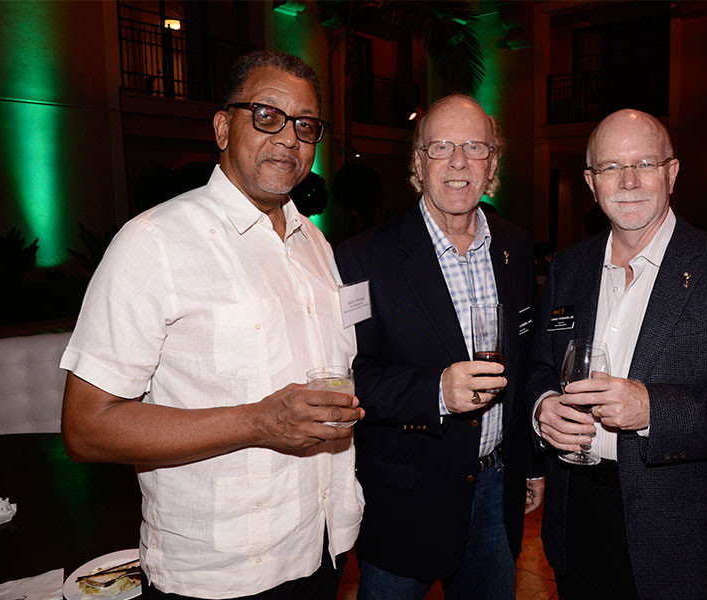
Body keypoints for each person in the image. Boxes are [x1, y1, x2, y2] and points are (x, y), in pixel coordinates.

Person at [59, 50, 365, 600]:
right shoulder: (152, 242)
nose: (289, 138)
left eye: (306, 125)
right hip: (217, 575)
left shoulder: (315, 244)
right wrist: (257, 421)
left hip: (321, 549)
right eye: (267, 115)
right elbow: (86, 428)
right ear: (224, 127)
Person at [528, 108, 707, 600]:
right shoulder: (568, 267)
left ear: (671, 173)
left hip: (682, 541)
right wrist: (542, 405)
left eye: (646, 163)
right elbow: (543, 366)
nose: (628, 181)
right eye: (611, 167)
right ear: (591, 182)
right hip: (577, 523)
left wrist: (655, 410)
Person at [335, 94, 543, 599]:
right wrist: (436, 391)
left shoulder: (516, 246)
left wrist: (532, 462)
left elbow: (531, 357)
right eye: (441, 147)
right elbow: (348, 377)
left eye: (474, 147)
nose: (457, 162)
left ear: (492, 162)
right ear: (418, 161)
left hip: (497, 490)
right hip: (406, 503)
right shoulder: (363, 259)